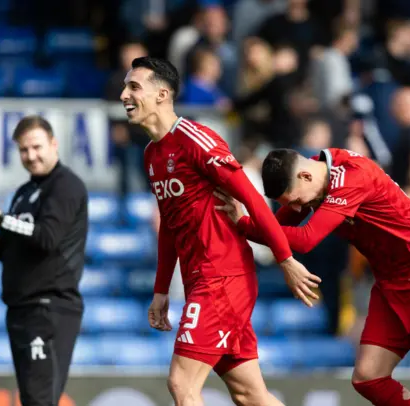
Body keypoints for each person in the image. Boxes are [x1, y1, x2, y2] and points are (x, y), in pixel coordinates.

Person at [120, 56, 321, 406]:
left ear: (162, 94)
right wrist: (161, 289)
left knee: (182, 384)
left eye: (134, 87)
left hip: (222, 277)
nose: (124, 94)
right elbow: (170, 223)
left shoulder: (196, 139)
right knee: (249, 394)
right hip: (204, 278)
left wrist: (285, 259)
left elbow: (253, 200)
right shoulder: (152, 154)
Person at [215, 147, 410, 406]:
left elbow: (305, 239)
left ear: (305, 176)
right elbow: (277, 227)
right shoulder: (316, 175)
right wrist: (242, 221)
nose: (296, 208)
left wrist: (244, 224)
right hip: (392, 281)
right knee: (369, 378)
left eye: (294, 200)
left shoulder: (351, 178)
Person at [0, 116, 88, 406]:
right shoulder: (25, 192)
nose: (31, 156)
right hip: (22, 310)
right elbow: (10, 251)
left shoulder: (66, 186)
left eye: (37, 147)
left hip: (49, 308)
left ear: (54, 144)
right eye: (24, 150)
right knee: (33, 399)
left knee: (39, 400)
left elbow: (47, 238)